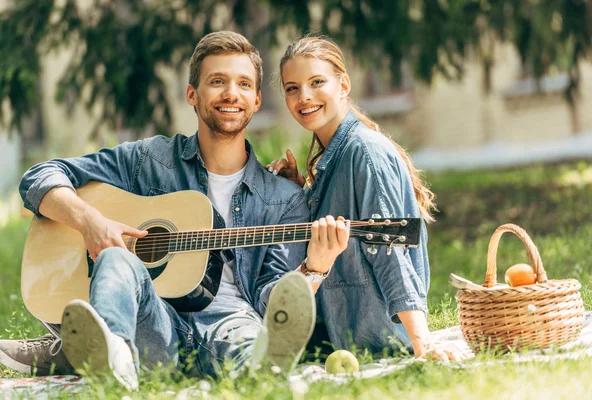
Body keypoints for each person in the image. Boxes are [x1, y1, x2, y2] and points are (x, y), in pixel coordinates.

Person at [0, 31, 349, 389]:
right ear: (191, 94)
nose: (231, 93)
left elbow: (270, 297)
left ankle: (264, 361)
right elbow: (39, 177)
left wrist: (314, 269)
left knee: (250, 346)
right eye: (217, 81)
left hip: (230, 326)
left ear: (257, 99)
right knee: (117, 257)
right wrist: (91, 221)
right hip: (154, 323)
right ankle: (115, 360)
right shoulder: (149, 161)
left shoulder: (284, 198)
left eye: (244, 84)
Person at [266, 35, 470, 362]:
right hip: (338, 336)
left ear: (343, 84)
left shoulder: (364, 152)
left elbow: (390, 251)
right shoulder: (333, 156)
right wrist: (298, 195)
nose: (304, 97)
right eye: (292, 88)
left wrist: (423, 344)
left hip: (377, 337)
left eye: (317, 82)